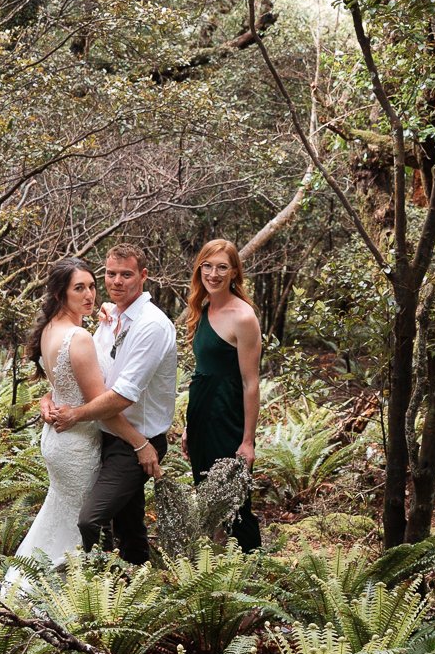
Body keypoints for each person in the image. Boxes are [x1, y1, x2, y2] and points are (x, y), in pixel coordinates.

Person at [42, 243, 173, 562]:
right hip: (105, 435)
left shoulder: (151, 326)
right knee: (129, 524)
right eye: (111, 274)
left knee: (91, 519)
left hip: (135, 440)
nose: (116, 282)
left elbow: (121, 397)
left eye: (126, 275)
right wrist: (51, 396)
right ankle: (131, 585)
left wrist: (76, 415)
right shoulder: (108, 317)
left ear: (143, 276)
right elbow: (80, 374)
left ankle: (100, 581)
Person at [16, 259, 149, 569]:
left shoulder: (52, 329)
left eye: (91, 286)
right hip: (77, 445)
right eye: (79, 288)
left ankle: (29, 577)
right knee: (77, 523)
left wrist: (48, 397)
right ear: (61, 294)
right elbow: (101, 406)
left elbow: (62, 384)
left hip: (56, 438)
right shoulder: (78, 338)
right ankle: (62, 594)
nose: (90, 294)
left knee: (58, 514)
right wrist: (139, 443)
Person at [183, 238, 264, 550]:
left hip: (227, 419)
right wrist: (191, 425)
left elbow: (250, 383)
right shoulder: (202, 309)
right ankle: (214, 573)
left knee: (235, 504)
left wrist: (247, 441)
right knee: (208, 497)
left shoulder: (243, 317)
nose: (213, 274)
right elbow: (204, 371)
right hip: (201, 416)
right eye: (207, 266)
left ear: (234, 273)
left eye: (222, 267)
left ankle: (251, 576)